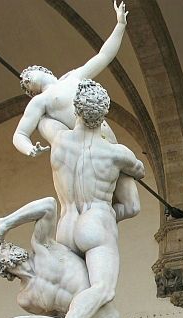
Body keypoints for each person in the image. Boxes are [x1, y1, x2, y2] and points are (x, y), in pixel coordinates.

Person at [30, 79, 145, 318]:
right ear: (103, 115)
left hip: (66, 224)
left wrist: (45, 96)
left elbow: (44, 118)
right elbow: (138, 172)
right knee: (102, 290)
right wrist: (109, 215)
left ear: (76, 112)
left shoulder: (59, 139)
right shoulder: (116, 153)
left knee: (74, 293)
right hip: (96, 220)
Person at [0, 196, 154, 318]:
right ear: (1, 266)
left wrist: (7, 223)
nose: (9, 247)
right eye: (3, 249)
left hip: (100, 317)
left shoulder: (43, 247)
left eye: (8, 245)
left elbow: (48, 204)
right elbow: (56, 317)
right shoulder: (26, 298)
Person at [13, 1, 141, 224]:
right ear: (31, 91)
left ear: (43, 70)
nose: (25, 78)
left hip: (111, 144)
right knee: (99, 204)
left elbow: (104, 56)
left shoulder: (74, 77)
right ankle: (95, 222)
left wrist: (120, 25)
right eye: (25, 83)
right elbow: (20, 133)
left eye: (28, 75)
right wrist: (29, 148)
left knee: (132, 207)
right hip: (91, 150)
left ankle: (101, 221)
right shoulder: (41, 101)